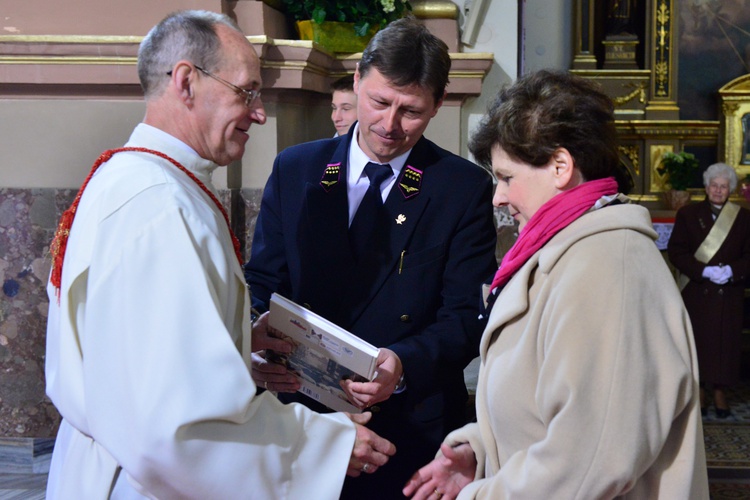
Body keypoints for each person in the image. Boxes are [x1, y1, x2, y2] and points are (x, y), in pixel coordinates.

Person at [44, 10, 395, 499]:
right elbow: (179, 430)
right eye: (246, 91)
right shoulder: (159, 206)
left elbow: (135, 360)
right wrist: (328, 445)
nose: (259, 112)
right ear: (186, 81)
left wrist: (235, 347)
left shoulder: (134, 178)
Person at [403, 70, 709, 499]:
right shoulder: (568, 250)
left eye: (507, 177)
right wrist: (481, 450)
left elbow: (592, 461)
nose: (498, 197)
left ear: (561, 166)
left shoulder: (609, 266)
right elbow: (544, 402)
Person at [245, 16, 498, 500]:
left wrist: (402, 363)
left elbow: (466, 315)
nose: (390, 125)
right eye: (379, 102)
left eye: (411, 112)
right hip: (301, 418)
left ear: (438, 105)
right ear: (357, 80)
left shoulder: (460, 188)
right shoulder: (297, 167)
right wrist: (255, 345)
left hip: (407, 429)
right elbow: (263, 280)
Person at [668, 162, 750, 419]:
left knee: (725, 345)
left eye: (723, 186)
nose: (718, 191)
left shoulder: (744, 217)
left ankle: (719, 392)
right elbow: (677, 252)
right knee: (699, 343)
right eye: (714, 186)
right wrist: (703, 271)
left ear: (730, 190)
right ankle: (700, 391)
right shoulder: (688, 215)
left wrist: (731, 272)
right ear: (706, 187)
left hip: (729, 291)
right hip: (698, 290)